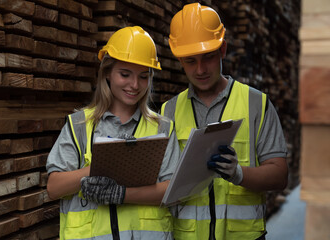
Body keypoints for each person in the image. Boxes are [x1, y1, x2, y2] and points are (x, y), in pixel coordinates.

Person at [161, 3, 288, 240]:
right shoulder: (168, 111)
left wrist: (239, 174)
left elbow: (279, 175)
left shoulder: (256, 104)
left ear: (223, 50)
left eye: (207, 57)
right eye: (190, 61)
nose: (200, 69)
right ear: (179, 60)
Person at [46, 26, 180, 240]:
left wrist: (122, 194)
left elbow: (173, 191)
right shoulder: (79, 125)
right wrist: (96, 169)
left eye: (143, 76)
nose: (135, 85)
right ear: (107, 72)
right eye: (125, 74)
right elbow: (54, 187)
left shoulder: (162, 128)